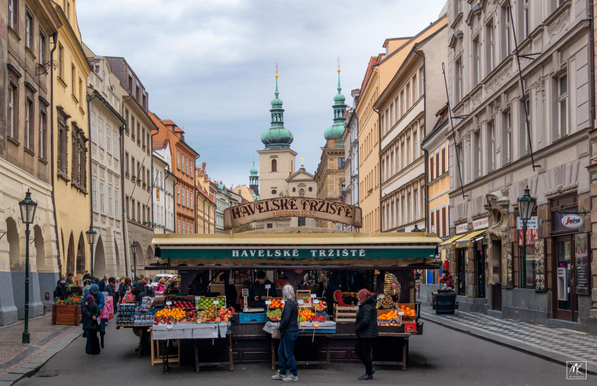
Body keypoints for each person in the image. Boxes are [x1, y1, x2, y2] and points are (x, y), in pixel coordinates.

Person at [272, 285, 299, 382]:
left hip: (289, 332)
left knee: (288, 354)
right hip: (290, 331)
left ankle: (294, 374)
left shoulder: (288, 305)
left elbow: (286, 319)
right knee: (281, 351)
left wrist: (280, 327)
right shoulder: (293, 303)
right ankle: (282, 372)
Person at [354, 288, 378, 380]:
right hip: (365, 334)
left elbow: (366, 321)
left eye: (359, 296)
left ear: (362, 296)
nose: (358, 298)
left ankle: (369, 372)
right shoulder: (367, 305)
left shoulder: (367, 306)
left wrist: (357, 327)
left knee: (365, 353)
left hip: (368, 334)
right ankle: (370, 369)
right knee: (358, 350)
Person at [82, 284, 106, 349]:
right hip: (89, 313)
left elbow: (102, 302)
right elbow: (84, 303)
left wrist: (97, 308)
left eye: (96, 291)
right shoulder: (87, 293)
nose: (95, 293)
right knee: (89, 330)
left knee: (101, 326)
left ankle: (101, 338)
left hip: (97, 311)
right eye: (93, 291)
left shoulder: (100, 294)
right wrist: (85, 313)